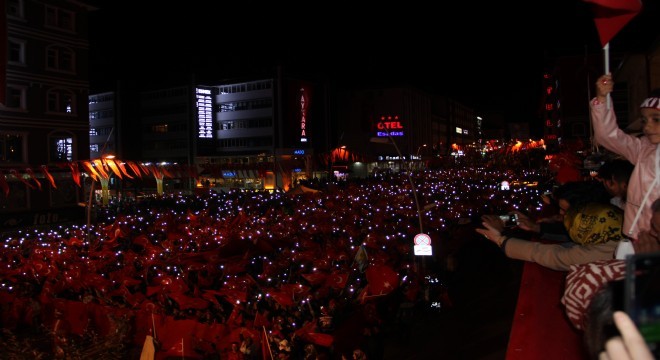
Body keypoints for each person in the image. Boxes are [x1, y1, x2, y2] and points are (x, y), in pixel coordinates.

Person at [591, 75, 660, 244]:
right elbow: (609, 136)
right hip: (638, 237)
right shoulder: (643, 149)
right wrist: (602, 99)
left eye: (656, 119)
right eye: (644, 120)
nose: (647, 126)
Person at [477, 201, 625, 271]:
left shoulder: (600, 253)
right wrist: (536, 227)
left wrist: (499, 239)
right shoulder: (621, 231)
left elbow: (552, 256)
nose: (560, 216)